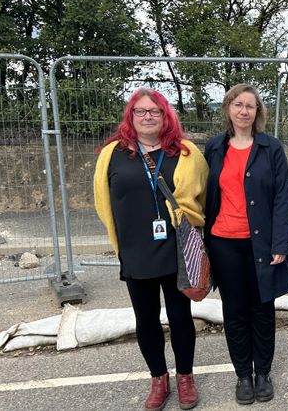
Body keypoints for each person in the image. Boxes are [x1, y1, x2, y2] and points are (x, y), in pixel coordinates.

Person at [94, 88, 208, 411]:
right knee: (145, 319)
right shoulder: (113, 154)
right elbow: (103, 202)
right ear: (130, 117)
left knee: (181, 317)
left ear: (165, 116)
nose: (147, 117)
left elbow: (201, 198)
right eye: (140, 111)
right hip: (135, 250)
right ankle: (159, 378)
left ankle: (185, 376)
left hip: (176, 250)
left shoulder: (185, 153)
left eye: (154, 112)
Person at [203, 84, 288, 405]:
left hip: (263, 245)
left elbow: (283, 198)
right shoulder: (214, 148)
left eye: (250, 106)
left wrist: (280, 243)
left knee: (263, 309)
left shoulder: (271, 148)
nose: (244, 111)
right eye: (238, 105)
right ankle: (243, 375)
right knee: (235, 312)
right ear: (228, 109)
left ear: (258, 113)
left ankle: (262, 373)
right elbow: (206, 196)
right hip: (223, 244)